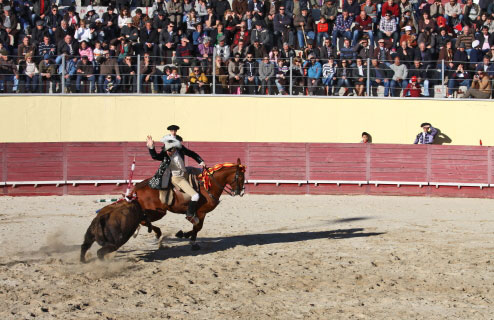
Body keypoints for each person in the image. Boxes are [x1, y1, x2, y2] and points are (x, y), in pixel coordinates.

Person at [146, 133, 206, 225]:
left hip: (186, 171)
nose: (168, 152)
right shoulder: (165, 154)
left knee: (204, 171)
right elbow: (155, 156)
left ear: (175, 148)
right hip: (178, 178)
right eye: (167, 150)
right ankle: (190, 215)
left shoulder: (180, 149)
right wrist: (151, 147)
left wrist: (201, 161)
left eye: (170, 150)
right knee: (195, 196)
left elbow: (191, 153)